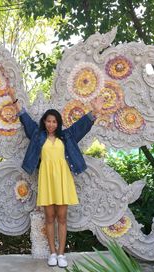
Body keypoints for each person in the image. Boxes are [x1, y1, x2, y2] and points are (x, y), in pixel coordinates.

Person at [9, 89, 104, 268]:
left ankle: (61, 254)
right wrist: (15, 103)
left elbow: (81, 125)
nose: (51, 124)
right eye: (48, 121)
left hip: (63, 180)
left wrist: (94, 111)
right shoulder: (38, 136)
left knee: (62, 218)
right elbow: (26, 120)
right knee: (49, 218)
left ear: (58, 123)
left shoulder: (66, 136)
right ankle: (52, 253)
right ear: (44, 122)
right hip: (46, 181)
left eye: (54, 121)